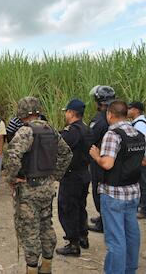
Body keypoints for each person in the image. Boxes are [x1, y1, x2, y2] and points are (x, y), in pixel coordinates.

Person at [5, 96, 72, 274]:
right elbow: (67, 154)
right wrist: (55, 176)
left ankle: (32, 269)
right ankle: (47, 266)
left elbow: (12, 157)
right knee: (46, 225)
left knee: (29, 230)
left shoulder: (26, 131)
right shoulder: (51, 130)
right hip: (47, 187)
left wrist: (12, 178)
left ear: (21, 112)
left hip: (29, 189)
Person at [89, 100, 146, 274]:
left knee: (115, 239)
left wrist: (96, 156)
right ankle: (130, 269)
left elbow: (107, 164)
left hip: (113, 193)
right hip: (133, 191)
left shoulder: (113, 134)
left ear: (110, 115)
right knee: (131, 234)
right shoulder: (138, 133)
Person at [56, 99, 93, 256]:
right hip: (84, 173)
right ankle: (83, 236)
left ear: (71, 113)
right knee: (80, 206)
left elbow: (58, 145)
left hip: (72, 176)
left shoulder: (73, 131)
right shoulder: (87, 128)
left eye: (66, 111)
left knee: (67, 208)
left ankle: (73, 244)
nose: (65, 114)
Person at [88, 85, 115, 233]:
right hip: (110, 158)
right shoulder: (114, 115)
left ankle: (103, 223)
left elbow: (90, 138)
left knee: (98, 189)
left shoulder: (100, 119)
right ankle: (103, 217)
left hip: (99, 159)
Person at [128, 101, 146, 219]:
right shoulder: (137, 122)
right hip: (141, 156)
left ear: (136, 110)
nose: (128, 111)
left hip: (141, 157)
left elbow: (141, 141)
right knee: (141, 182)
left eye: (130, 108)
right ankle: (142, 206)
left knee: (144, 183)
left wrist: (140, 157)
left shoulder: (140, 124)